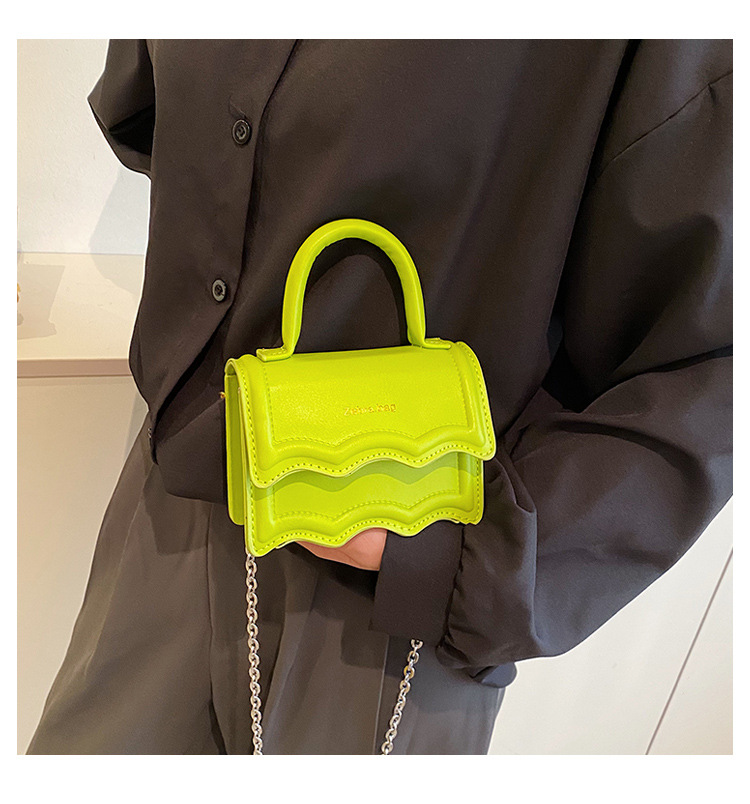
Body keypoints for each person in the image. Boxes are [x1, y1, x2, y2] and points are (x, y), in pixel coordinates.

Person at [27, 38, 732, 755]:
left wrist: (470, 559)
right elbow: (157, 111)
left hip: (392, 585)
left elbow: (709, 361)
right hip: (171, 505)